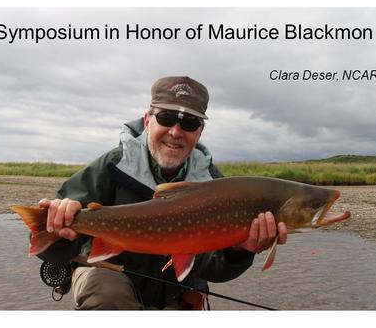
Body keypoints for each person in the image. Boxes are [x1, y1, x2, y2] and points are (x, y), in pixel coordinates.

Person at [37, 76, 288, 310]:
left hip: (176, 286)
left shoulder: (215, 186)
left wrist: (239, 250)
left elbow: (213, 268)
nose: (176, 132)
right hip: (108, 275)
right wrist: (57, 232)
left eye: (189, 123)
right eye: (166, 118)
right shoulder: (110, 168)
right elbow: (49, 247)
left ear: (199, 132)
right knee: (111, 298)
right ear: (148, 120)